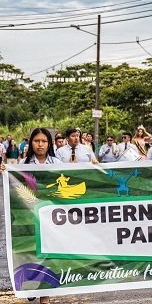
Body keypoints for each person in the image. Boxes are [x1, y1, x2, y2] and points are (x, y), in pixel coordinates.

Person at [0, 128, 62, 304]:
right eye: (36, 141)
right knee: (32, 254)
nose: (40, 144)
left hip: (52, 218)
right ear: (31, 143)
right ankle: (32, 286)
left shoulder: (57, 162)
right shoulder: (22, 164)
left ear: (49, 143)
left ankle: (45, 296)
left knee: (48, 255)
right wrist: (5, 170)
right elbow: (15, 189)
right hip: (30, 218)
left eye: (44, 141)